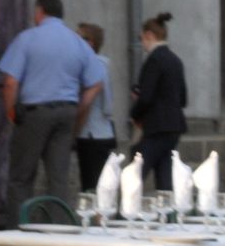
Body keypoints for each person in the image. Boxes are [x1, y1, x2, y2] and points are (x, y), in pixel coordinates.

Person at [0, 0, 103, 226]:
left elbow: (10, 82)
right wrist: (80, 108)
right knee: (58, 178)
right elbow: (96, 82)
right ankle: (58, 230)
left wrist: (10, 111)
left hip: (35, 113)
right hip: (66, 112)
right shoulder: (77, 42)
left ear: (39, 12)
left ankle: (19, 229)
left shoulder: (27, 39)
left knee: (21, 177)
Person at [130, 11, 187, 189]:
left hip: (155, 126)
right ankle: (167, 213)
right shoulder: (175, 60)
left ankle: (125, 215)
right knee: (164, 177)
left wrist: (135, 113)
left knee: (135, 175)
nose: (142, 43)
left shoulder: (154, 60)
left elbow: (146, 97)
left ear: (149, 35)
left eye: (142, 38)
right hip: (173, 127)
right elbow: (183, 98)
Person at [75, 22, 116, 191]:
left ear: (90, 42)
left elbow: (103, 103)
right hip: (102, 131)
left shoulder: (94, 65)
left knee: (92, 185)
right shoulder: (103, 64)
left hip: (92, 133)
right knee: (96, 184)